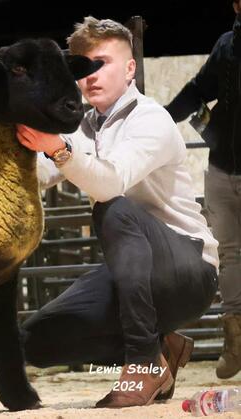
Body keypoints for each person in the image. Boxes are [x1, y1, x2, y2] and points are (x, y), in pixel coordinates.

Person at [16, 16, 219, 408]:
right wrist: (20, 144)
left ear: (130, 69)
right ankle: (160, 353)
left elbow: (109, 183)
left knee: (115, 208)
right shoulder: (83, 126)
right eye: (83, 66)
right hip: (132, 273)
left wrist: (56, 147)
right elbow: (42, 172)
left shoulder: (151, 119)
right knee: (35, 341)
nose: (91, 75)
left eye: (102, 62)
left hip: (188, 270)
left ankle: (141, 365)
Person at [165, 0, 241, 380]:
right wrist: (161, 118)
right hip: (222, 167)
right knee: (228, 254)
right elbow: (198, 90)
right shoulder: (227, 45)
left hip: (225, 166)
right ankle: (235, 341)